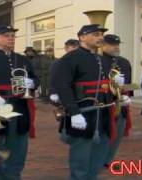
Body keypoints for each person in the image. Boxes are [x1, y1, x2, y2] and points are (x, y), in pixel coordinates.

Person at [52, 24, 127, 180]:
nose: (100, 37)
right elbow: (63, 87)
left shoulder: (103, 60)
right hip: (83, 114)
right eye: (95, 34)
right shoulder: (69, 59)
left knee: (98, 158)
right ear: (82, 37)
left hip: (104, 115)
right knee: (80, 160)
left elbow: (105, 87)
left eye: (101, 35)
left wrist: (117, 93)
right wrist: (74, 113)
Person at [0, 24, 39, 180]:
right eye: (6, 35)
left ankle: (14, 175)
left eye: (12, 35)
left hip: (20, 106)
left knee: (19, 146)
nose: (11, 38)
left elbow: (35, 78)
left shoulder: (22, 59)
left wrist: (31, 83)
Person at [102, 34, 132, 167]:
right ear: (103, 45)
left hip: (121, 104)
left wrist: (127, 94)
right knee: (103, 134)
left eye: (117, 45)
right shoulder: (98, 61)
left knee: (117, 134)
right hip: (104, 104)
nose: (116, 47)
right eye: (112, 45)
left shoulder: (124, 62)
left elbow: (130, 84)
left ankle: (108, 160)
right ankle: (98, 158)